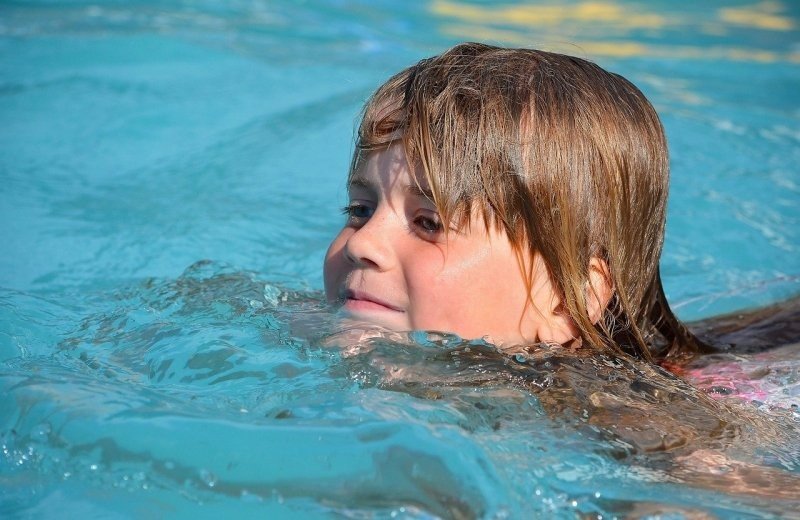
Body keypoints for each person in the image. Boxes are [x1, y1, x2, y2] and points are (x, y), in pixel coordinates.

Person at [323, 42, 711, 363]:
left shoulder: (626, 423)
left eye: (429, 223)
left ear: (565, 297)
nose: (362, 244)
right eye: (360, 210)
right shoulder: (305, 323)